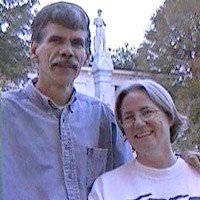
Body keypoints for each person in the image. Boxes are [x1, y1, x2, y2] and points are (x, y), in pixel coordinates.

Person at [2, 2, 132, 200]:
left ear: (86, 56)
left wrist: (188, 168)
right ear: (34, 50)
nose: (67, 51)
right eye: (56, 40)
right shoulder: (5, 114)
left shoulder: (101, 118)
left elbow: (132, 180)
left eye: (77, 43)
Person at [89, 79, 200, 200]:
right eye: (129, 117)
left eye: (147, 112)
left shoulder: (196, 173)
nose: (138, 123)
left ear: (169, 116)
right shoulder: (106, 188)